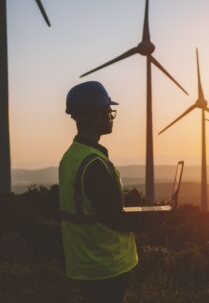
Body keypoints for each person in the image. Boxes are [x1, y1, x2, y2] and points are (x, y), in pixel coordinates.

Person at [59, 81, 138, 303]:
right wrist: (157, 218)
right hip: (106, 265)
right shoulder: (94, 164)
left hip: (83, 263)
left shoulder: (70, 157)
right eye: (106, 111)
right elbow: (114, 218)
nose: (110, 116)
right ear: (93, 116)